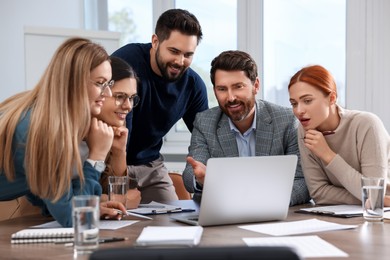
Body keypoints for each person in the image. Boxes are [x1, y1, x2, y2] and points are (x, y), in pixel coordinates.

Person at [0, 37, 126, 227]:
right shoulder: (40, 130)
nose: (107, 94)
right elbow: (73, 218)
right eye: (100, 83)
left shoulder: (47, 116)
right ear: (72, 83)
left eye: (109, 83)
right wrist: (97, 157)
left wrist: (90, 207)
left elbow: (49, 198)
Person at [182, 50, 310, 206]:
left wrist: (263, 201)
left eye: (238, 87)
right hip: (223, 213)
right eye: (222, 89)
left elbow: (302, 182)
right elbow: (191, 174)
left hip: (272, 213)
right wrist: (201, 179)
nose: (230, 97)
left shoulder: (286, 121)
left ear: (255, 86)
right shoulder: (205, 122)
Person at [111, 9, 208, 203]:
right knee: (118, 219)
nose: (180, 61)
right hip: (110, 162)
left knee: (172, 219)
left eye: (188, 54)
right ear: (155, 42)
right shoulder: (125, 63)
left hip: (151, 165)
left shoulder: (193, 85)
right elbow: (119, 134)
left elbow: (206, 136)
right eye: (174, 51)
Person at [288, 64, 390, 205]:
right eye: (294, 103)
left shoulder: (367, 124)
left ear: (332, 98)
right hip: (363, 210)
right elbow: (318, 193)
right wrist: (374, 200)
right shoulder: (304, 129)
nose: (299, 111)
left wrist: (328, 155)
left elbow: (373, 192)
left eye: (307, 101)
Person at [97, 56, 141, 209]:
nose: (128, 106)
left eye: (131, 98)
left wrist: (119, 151)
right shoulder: (71, 132)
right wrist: (111, 199)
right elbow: (68, 197)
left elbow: (114, 191)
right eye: (120, 97)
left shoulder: (109, 130)